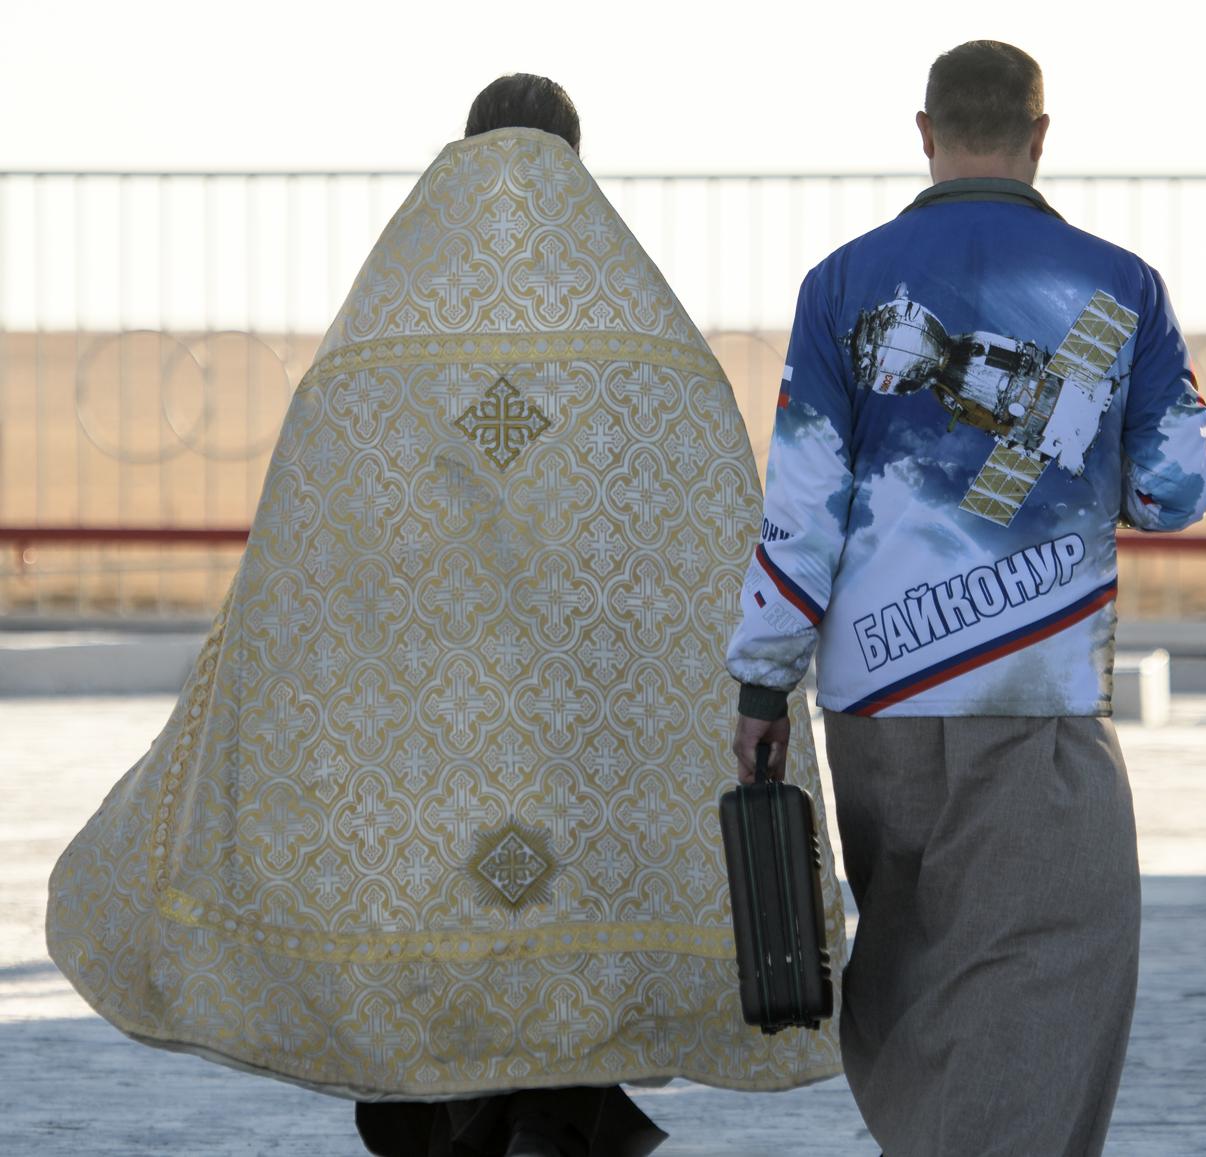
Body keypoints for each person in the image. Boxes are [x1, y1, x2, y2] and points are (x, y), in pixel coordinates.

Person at [46, 74, 847, 1157]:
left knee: (437, 902)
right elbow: (699, 541)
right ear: (576, 156)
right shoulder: (649, 353)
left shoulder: (373, 350)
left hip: (424, 709)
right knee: (570, 905)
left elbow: (305, 561)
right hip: (579, 712)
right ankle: (557, 1112)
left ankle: (467, 1116)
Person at [727, 41, 1206, 1157]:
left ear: (923, 133)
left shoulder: (841, 284)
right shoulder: (1120, 283)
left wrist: (763, 678)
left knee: (911, 960)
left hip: (877, 705)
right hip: (1034, 695)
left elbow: (800, 509)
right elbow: (1176, 485)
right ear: (1039, 136)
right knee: (1056, 968)